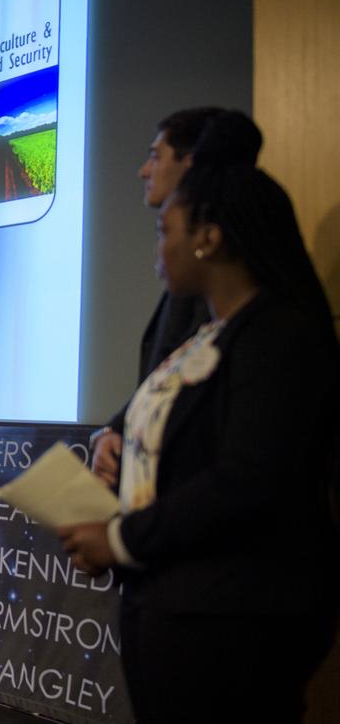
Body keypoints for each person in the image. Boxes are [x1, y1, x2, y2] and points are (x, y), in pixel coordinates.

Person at [59, 155, 339, 720]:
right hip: (170, 609)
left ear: (209, 237)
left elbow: (248, 481)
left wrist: (119, 540)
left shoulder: (280, 336)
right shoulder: (206, 339)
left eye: (166, 231)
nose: (157, 251)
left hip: (236, 623)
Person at [89, 107, 262, 487]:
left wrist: (121, 538)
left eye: (155, 156)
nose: (143, 171)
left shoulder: (248, 316)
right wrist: (116, 429)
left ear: (193, 165)